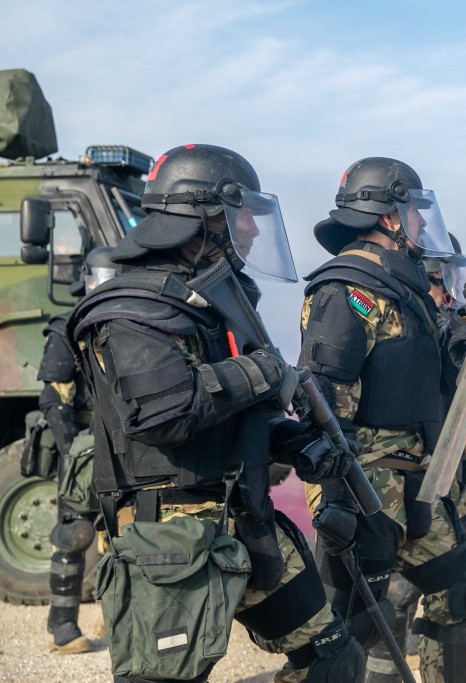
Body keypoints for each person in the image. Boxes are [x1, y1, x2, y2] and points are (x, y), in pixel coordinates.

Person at [68, 144, 363, 682]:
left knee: (334, 660)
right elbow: (165, 413)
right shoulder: (135, 308)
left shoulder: (212, 299)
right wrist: (262, 373)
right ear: (200, 215)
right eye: (240, 212)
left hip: (243, 518)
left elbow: (228, 412)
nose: (250, 227)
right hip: (172, 537)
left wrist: (294, 444)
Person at [299, 157, 466, 683]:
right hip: (364, 482)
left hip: (418, 475)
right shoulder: (348, 289)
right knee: (355, 629)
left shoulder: (404, 291)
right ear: (389, 217)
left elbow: (439, 383)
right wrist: (334, 499)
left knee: (464, 593)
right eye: (411, 212)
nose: (418, 225)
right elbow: (321, 400)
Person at [38, 247, 115, 654]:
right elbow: (54, 401)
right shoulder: (66, 328)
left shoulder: (126, 322)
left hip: (119, 441)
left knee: (123, 533)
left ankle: (114, 617)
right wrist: (72, 455)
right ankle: (62, 627)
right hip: (81, 446)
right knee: (74, 532)